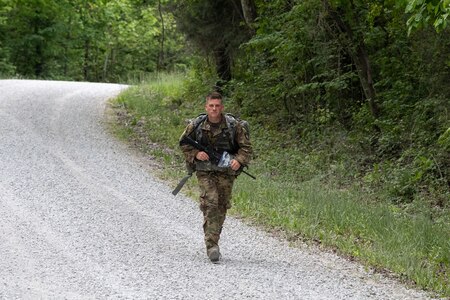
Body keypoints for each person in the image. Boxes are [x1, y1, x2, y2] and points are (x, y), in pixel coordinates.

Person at [179, 91, 253, 262]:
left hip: (226, 172)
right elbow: (183, 143)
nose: (214, 109)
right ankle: (212, 246)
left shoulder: (234, 126)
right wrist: (196, 154)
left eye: (217, 106)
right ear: (206, 107)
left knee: (221, 206)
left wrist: (238, 161)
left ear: (222, 107)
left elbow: (246, 148)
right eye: (211, 106)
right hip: (205, 170)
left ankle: (214, 239)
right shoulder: (197, 125)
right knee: (211, 201)